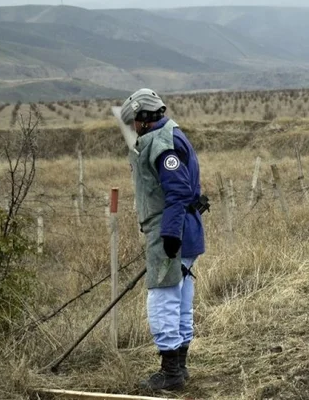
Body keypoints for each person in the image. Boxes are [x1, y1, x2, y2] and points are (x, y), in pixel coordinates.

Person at [119, 88, 208, 392]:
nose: (133, 127)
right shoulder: (172, 133)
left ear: (144, 118)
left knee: (163, 300)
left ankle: (170, 374)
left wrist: (170, 235)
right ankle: (179, 369)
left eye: (134, 121)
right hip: (185, 229)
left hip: (172, 232)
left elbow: (178, 190)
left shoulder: (161, 143)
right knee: (181, 299)